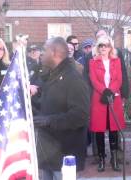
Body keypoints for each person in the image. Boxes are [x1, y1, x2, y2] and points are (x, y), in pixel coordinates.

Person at [33, 37, 90, 179]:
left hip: (64, 155)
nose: (42, 54)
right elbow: (49, 105)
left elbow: (80, 115)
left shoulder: (73, 78)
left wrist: (49, 120)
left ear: (53, 52)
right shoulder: (53, 75)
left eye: (44, 50)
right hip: (48, 154)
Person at [89, 35, 126, 172]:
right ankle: (102, 160)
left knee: (113, 130)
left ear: (110, 47)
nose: (103, 48)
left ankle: (114, 160)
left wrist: (110, 91)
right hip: (99, 99)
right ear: (98, 48)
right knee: (99, 131)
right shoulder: (93, 62)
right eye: (101, 45)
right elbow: (93, 80)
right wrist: (103, 91)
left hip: (113, 98)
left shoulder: (116, 61)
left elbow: (119, 79)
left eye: (106, 45)